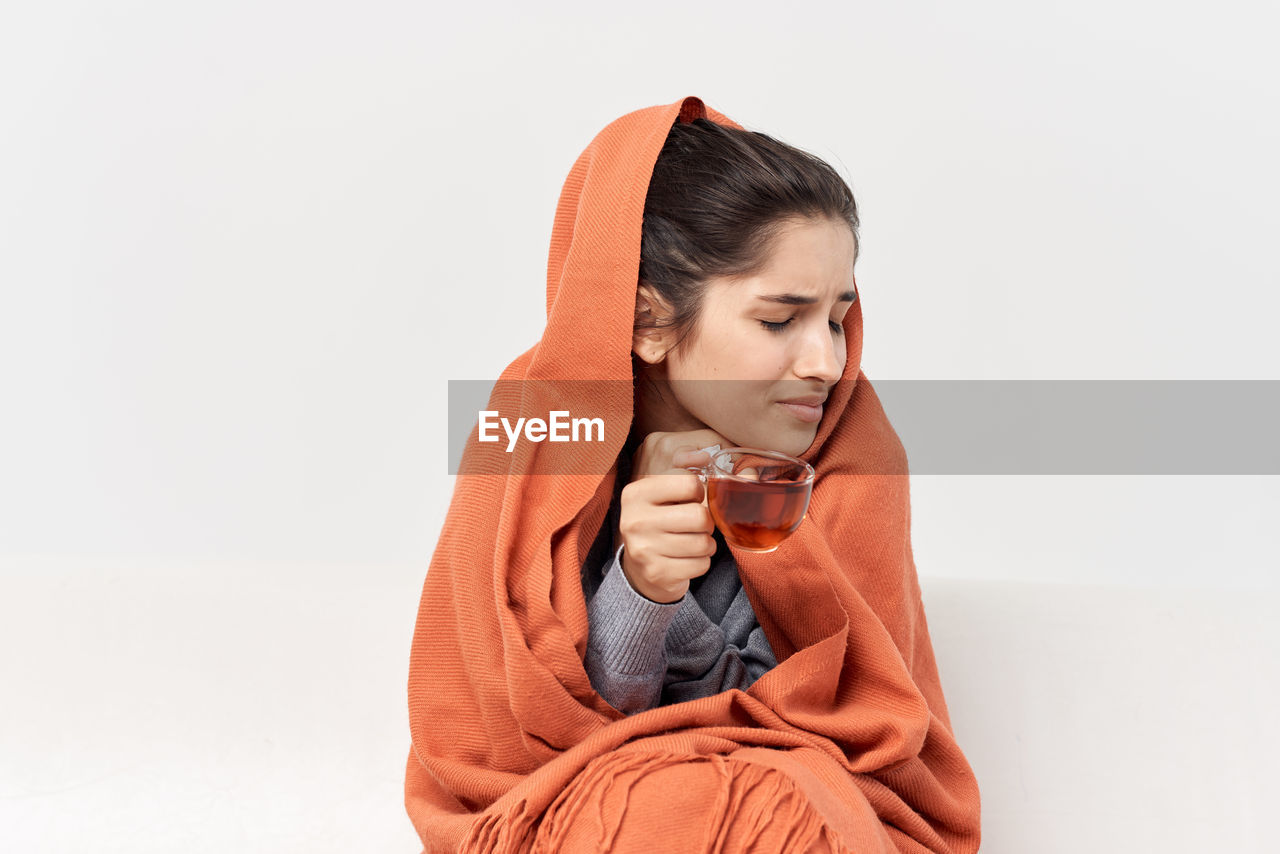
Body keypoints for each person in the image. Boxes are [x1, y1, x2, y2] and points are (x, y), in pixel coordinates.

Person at [405, 95, 982, 853]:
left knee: (732, 801)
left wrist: (689, 585)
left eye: (838, 317)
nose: (826, 362)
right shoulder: (531, 438)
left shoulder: (853, 457)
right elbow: (526, 744)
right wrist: (642, 582)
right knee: (666, 807)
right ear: (647, 321)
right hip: (577, 819)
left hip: (806, 816)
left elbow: (837, 740)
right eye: (780, 319)